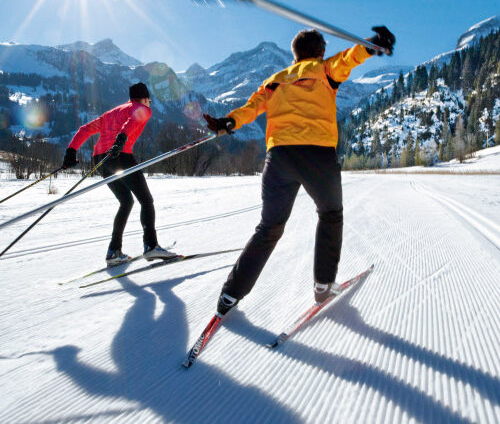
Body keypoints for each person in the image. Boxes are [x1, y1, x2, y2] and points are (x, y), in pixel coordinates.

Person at [203, 27, 395, 314]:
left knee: (268, 228)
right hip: (317, 155)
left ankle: (230, 295)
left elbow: (250, 109)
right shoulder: (325, 69)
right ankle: (323, 286)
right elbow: (349, 59)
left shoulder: (274, 81)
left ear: (295, 54)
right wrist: (372, 46)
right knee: (330, 214)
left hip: (279, 157)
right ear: (319, 52)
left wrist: (226, 122)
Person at [62, 82, 176, 266]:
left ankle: (114, 251)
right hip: (119, 155)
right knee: (146, 201)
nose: (150, 104)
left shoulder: (112, 113)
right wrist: (121, 139)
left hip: (100, 159)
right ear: (145, 98)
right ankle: (151, 246)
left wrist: (71, 151)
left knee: (126, 201)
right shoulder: (142, 108)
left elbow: (85, 129)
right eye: (149, 100)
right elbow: (132, 122)